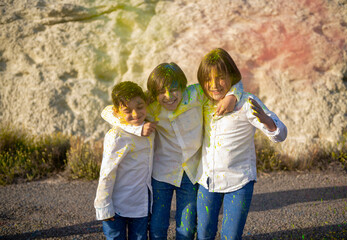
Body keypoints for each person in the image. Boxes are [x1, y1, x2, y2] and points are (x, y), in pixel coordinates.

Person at [101, 62, 243, 240]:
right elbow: (108, 112)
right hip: (162, 174)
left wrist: (233, 96)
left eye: (174, 89)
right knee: (158, 226)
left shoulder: (196, 95)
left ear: (183, 86)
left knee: (187, 226)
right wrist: (138, 129)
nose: (168, 96)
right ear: (154, 93)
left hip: (191, 174)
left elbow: (232, 84)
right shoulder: (151, 106)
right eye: (161, 92)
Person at [196, 48, 288, 240]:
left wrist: (267, 122)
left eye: (220, 77)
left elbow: (281, 134)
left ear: (231, 75)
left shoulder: (247, 102)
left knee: (231, 236)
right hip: (207, 180)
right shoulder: (202, 101)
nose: (214, 85)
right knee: (204, 233)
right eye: (208, 79)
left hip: (239, 182)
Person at [94, 81, 155, 240]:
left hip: (141, 205)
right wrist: (104, 207)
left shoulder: (149, 128)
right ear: (117, 112)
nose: (135, 114)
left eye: (140, 107)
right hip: (117, 207)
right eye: (127, 110)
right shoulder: (117, 136)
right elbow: (107, 173)